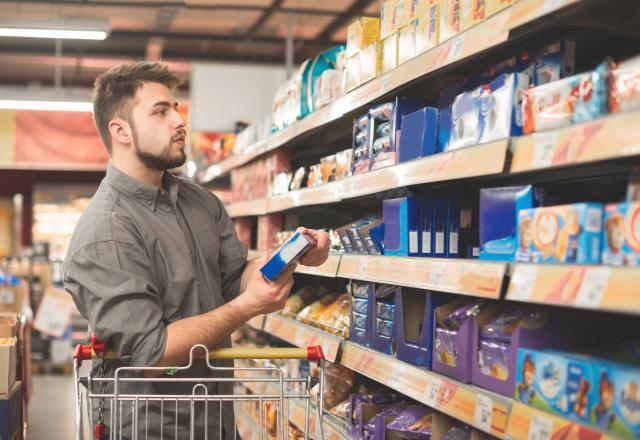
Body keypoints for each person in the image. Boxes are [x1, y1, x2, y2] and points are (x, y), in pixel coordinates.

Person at [63, 61, 330, 439]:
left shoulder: (200, 202)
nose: (178, 120)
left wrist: (291, 258)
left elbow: (236, 276)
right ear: (120, 130)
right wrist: (248, 306)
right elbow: (151, 353)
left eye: (176, 107)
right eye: (161, 111)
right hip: (152, 427)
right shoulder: (105, 232)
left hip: (215, 419)